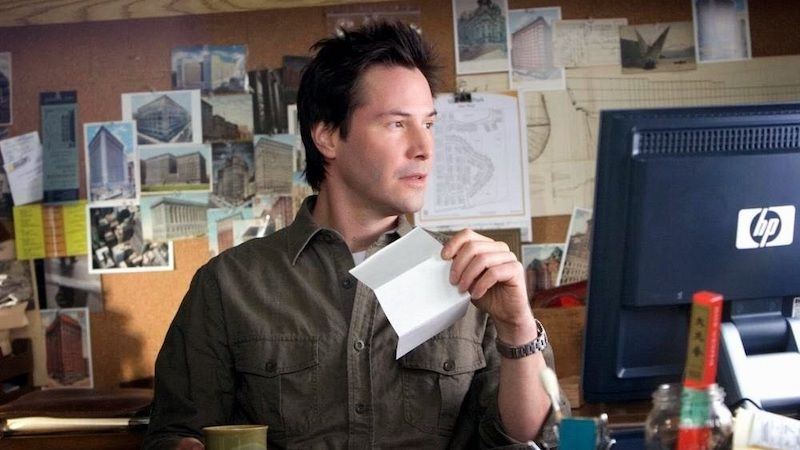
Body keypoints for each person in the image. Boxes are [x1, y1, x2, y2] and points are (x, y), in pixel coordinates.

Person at [143, 22, 566, 450]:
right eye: (397, 124)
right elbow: (175, 431)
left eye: (429, 124)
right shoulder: (229, 284)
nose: (424, 147)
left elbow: (531, 437)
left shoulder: (471, 275)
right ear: (328, 136)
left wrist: (517, 326)